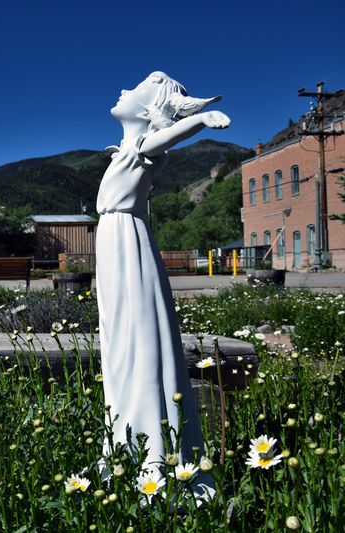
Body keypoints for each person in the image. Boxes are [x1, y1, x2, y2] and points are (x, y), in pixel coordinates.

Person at [95, 71, 229, 495]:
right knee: (122, 336)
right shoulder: (127, 150)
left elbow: (163, 139)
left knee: (136, 334)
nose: (122, 89)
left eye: (134, 87)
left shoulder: (140, 147)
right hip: (116, 241)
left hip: (126, 242)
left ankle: (148, 448)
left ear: (148, 106)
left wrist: (200, 121)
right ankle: (128, 442)